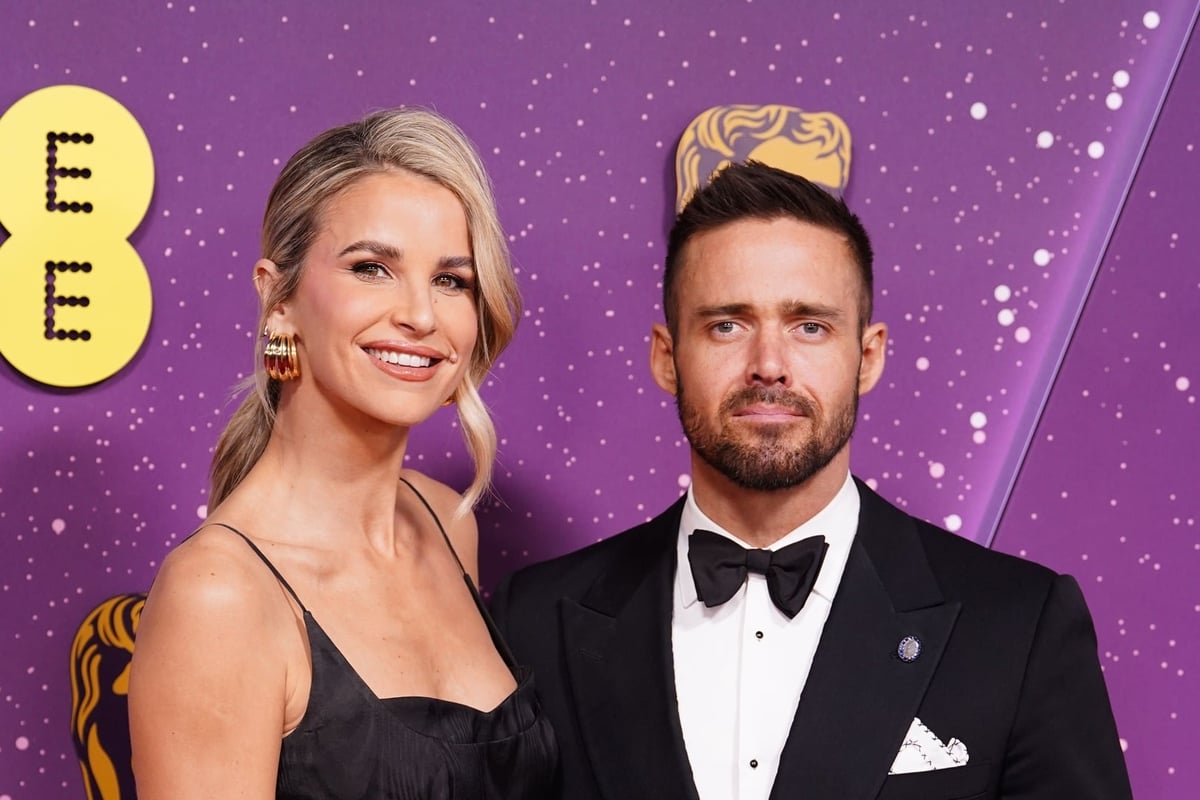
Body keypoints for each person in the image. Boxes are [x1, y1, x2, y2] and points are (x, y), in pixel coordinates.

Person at [490, 161, 1132, 800]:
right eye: (726, 325)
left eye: (810, 326)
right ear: (666, 357)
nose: (769, 365)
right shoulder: (535, 619)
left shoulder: (1018, 626)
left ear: (868, 356)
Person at [129, 108, 557, 799]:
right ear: (279, 299)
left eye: (451, 280)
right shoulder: (219, 596)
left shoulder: (447, 523)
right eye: (372, 268)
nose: (420, 315)